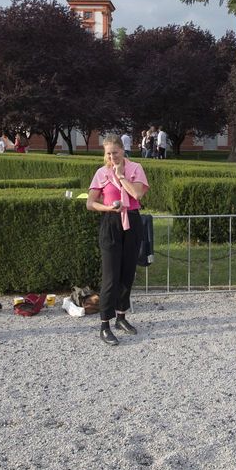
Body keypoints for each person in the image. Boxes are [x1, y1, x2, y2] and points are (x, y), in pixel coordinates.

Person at [86, 134, 149, 346]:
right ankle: (104, 324)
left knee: (127, 273)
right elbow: (90, 203)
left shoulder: (135, 168)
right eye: (108, 153)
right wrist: (108, 207)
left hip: (132, 221)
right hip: (111, 222)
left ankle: (121, 317)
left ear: (123, 150)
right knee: (110, 277)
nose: (112, 157)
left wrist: (121, 176)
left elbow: (137, 195)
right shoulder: (101, 173)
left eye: (115, 152)